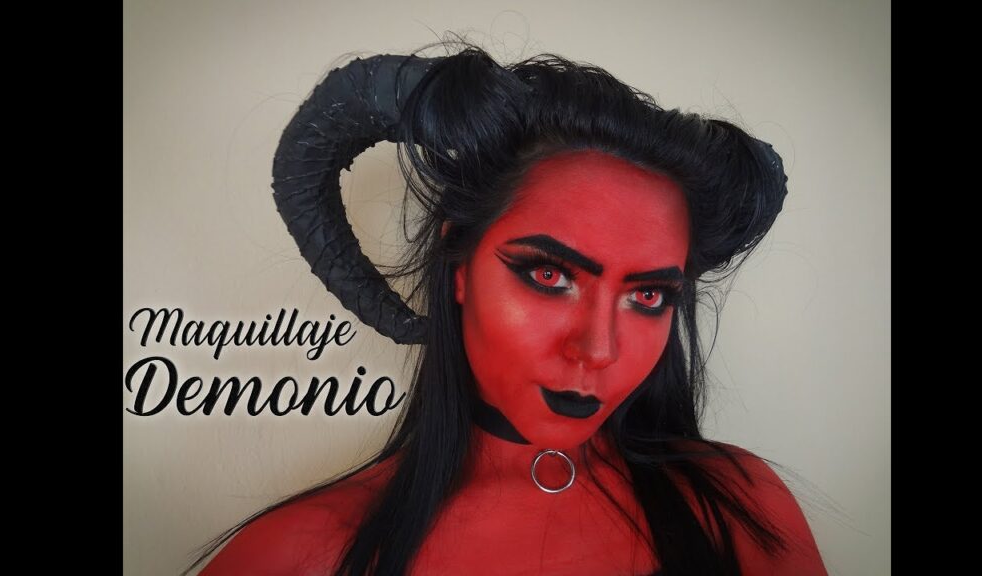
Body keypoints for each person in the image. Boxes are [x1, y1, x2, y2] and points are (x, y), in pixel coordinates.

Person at [189, 43, 828, 575]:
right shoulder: (296, 556)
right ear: (459, 266)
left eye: (647, 295)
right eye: (549, 275)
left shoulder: (744, 510)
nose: (599, 349)